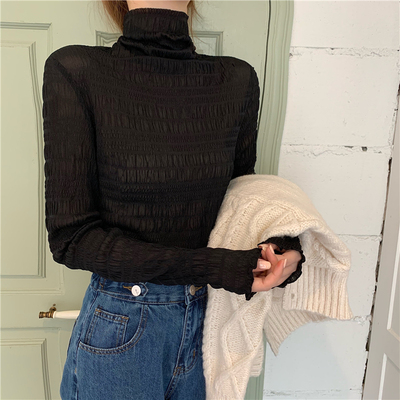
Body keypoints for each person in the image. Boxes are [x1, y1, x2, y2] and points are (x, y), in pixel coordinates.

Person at [41, 1, 305, 399]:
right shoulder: (76, 70)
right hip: (122, 323)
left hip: (208, 321)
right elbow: (72, 239)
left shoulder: (237, 79)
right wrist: (217, 267)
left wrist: (280, 251)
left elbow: (240, 205)